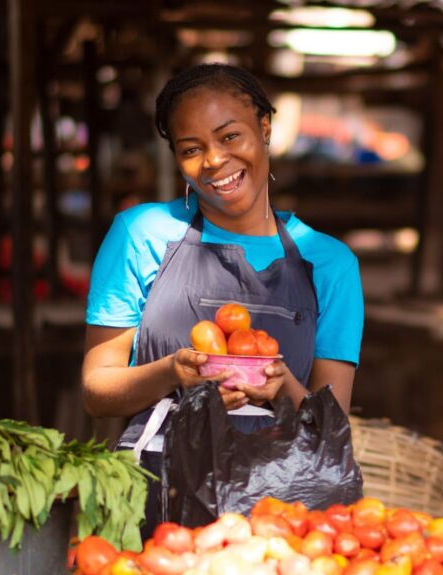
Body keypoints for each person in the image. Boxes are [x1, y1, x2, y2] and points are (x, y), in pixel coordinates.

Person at [81, 63, 364, 534]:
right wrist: (173, 372)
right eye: (192, 149)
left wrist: (282, 389)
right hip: (155, 496)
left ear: (265, 128)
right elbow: (97, 392)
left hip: (280, 511)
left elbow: (332, 424)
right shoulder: (142, 234)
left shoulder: (330, 264)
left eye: (230, 137)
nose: (213, 161)